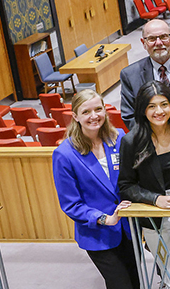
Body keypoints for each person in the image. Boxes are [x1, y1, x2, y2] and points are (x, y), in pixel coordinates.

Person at [53, 89, 138, 289]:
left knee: (136, 281)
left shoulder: (119, 138)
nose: (94, 116)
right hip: (98, 233)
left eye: (98, 109)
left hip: (128, 228)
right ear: (75, 116)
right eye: (86, 112)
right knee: (120, 284)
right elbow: (70, 203)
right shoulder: (64, 154)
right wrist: (104, 219)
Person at [117, 81, 170, 288]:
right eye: (151, 106)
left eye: (164, 104)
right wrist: (156, 199)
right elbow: (125, 186)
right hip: (158, 216)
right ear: (142, 110)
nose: (159, 111)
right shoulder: (131, 141)